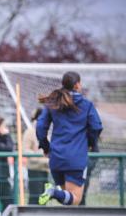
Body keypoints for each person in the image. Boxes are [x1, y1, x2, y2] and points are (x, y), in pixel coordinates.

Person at [37, 71, 103, 206]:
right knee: (75, 200)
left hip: (56, 157)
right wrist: (91, 143)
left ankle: (55, 194)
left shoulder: (52, 103)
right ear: (77, 85)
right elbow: (96, 127)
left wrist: (46, 147)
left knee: (67, 199)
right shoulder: (86, 105)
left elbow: (40, 127)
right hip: (76, 157)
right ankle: (53, 192)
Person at [23, 108, 49, 205]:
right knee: (35, 197)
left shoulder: (46, 132)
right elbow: (26, 150)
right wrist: (39, 155)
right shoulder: (30, 132)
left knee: (44, 198)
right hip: (35, 170)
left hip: (46, 170)